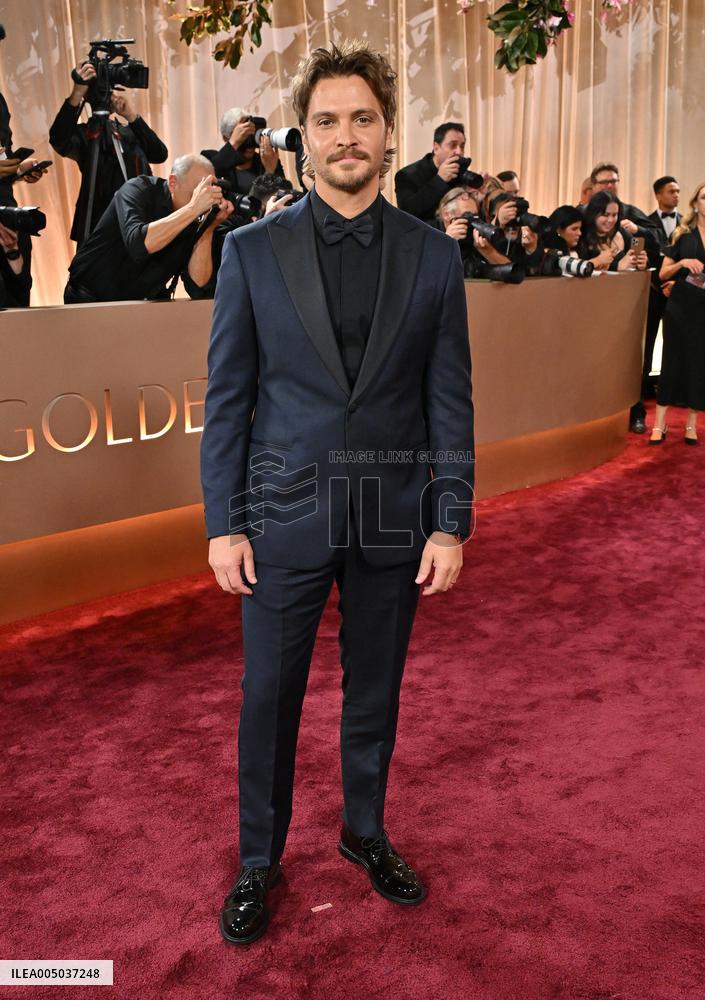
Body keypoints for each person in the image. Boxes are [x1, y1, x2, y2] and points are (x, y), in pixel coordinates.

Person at [201, 40, 474, 945]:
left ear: (388, 133)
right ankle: (257, 859)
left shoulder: (435, 257)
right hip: (280, 514)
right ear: (302, 138)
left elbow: (449, 400)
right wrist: (222, 525)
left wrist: (450, 522)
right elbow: (230, 402)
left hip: (393, 517)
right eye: (327, 120)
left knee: (376, 692)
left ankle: (364, 831)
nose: (345, 135)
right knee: (268, 694)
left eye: (362, 118)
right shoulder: (248, 252)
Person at [64, 154, 230, 302]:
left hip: (138, 309)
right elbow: (138, 245)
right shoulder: (139, 190)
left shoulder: (198, 219)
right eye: (196, 192)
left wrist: (207, 229)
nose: (203, 199)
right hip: (88, 299)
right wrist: (193, 208)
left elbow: (198, 289)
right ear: (173, 183)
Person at [50, 60, 168, 244]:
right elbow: (58, 139)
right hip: (100, 225)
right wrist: (76, 95)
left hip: (138, 218)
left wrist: (132, 117)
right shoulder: (88, 135)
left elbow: (159, 154)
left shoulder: (128, 132)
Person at [650, 182, 705, 446]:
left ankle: (691, 424)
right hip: (681, 306)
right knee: (670, 360)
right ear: (696, 203)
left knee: (698, 363)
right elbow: (662, 274)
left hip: (704, 308)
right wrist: (683, 263)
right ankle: (659, 424)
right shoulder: (683, 234)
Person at [201, 108, 285, 198]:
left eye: (251, 136)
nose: (248, 143)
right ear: (226, 138)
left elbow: (284, 197)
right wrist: (234, 143)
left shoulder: (266, 161)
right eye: (242, 136)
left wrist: (270, 171)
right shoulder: (210, 159)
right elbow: (207, 179)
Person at [394, 121, 467, 222]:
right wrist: (440, 180)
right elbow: (407, 213)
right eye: (453, 145)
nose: (459, 152)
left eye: (462, 146)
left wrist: (477, 197)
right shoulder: (407, 175)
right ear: (436, 148)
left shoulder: (459, 172)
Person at [578, 191, 648, 272]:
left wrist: (642, 264)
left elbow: (637, 264)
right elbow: (578, 271)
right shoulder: (581, 236)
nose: (610, 220)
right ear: (593, 214)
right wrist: (617, 266)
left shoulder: (624, 233)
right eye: (605, 215)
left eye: (614, 215)